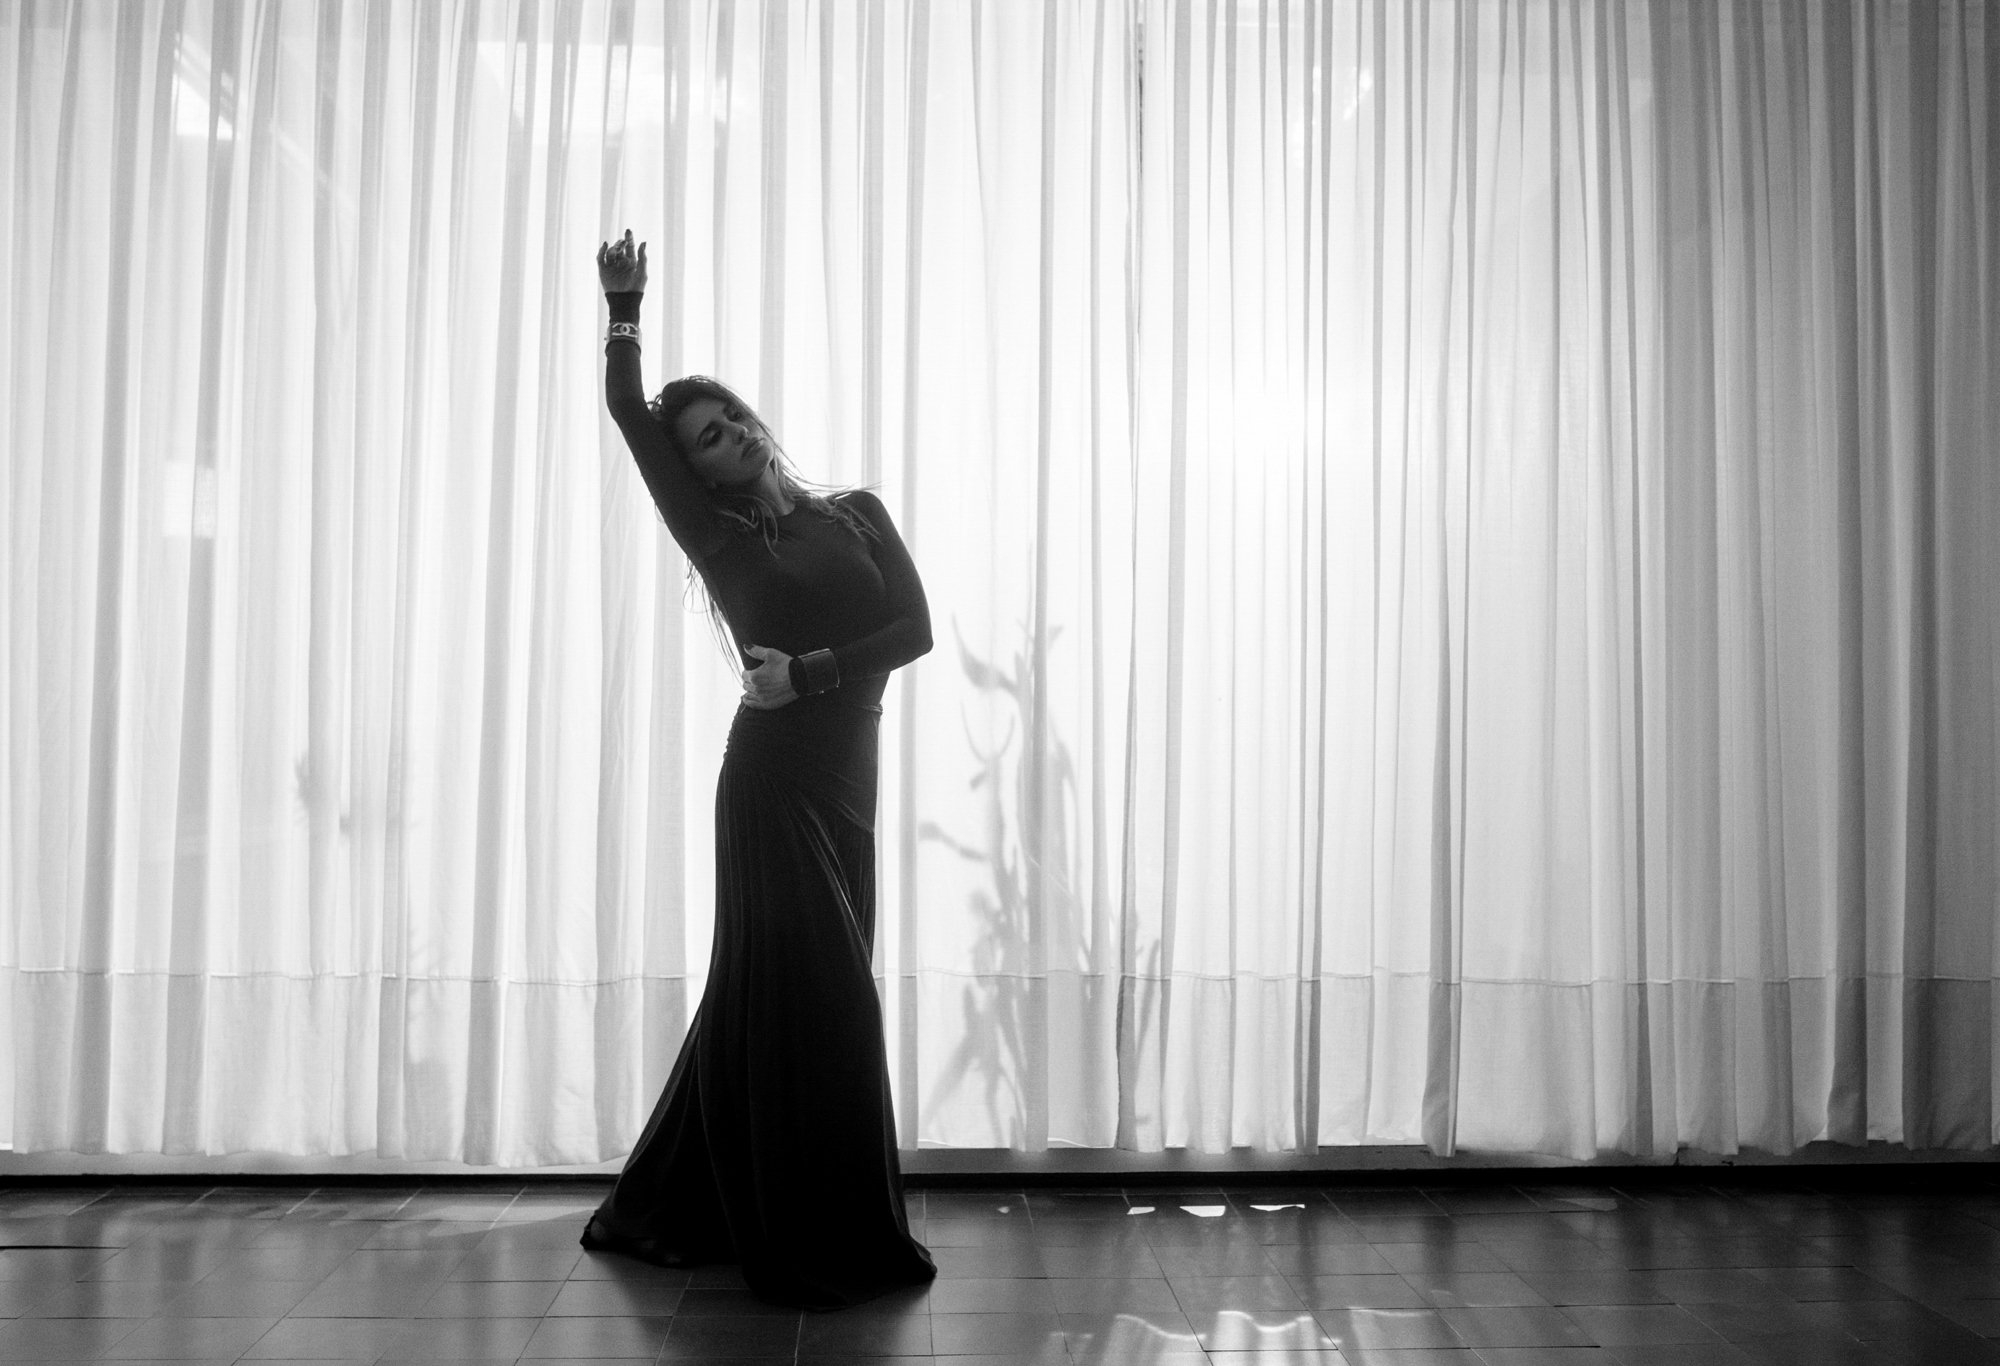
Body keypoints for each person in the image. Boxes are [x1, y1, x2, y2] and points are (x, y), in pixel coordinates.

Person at [579, 229, 937, 1309]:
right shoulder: (717, 542)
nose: (728, 436)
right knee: (815, 1000)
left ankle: (697, 1194)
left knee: (771, 997)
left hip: (845, 784)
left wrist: (813, 671)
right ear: (692, 471)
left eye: (730, 417)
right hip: (771, 786)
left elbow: (914, 631)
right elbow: (628, 418)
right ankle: (817, 1230)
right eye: (705, 438)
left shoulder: (856, 513)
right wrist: (625, 308)